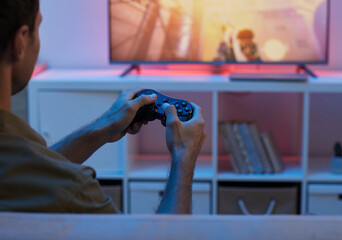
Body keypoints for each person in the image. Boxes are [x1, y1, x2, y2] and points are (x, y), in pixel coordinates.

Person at [0, 0, 206, 214]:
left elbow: (32, 174)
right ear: (20, 42)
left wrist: (104, 126)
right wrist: (184, 156)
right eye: (39, 27)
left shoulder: (15, 167)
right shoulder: (73, 190)